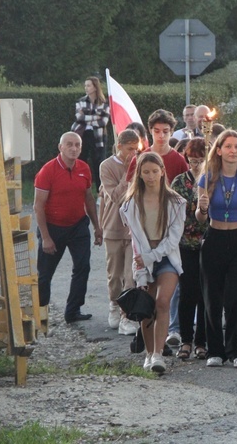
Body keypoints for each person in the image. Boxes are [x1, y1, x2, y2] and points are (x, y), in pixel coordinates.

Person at [195, 130, 237, 368]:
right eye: (229, 146)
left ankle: (236, 348)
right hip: (214, 238)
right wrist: (202, 208)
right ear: (220, 149)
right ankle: (215, 349)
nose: (233, 150)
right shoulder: (208, 177)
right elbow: (200, 219)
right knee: (212, 297)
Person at [127, 109, 189, 349]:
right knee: (146, 300)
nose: (161, 135)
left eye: (165, 131)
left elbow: (185, 189)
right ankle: (147, 345)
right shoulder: (140, 159)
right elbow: (130, 195)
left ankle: (167, 337)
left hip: (169, 235)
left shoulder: (177, 160)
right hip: (143, 239)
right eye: (156, 131)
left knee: (166, 297)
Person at [119, 153, 186, 373]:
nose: (150, 176)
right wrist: (143, 262)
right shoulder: (130, 204)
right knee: (145, 306)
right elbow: (135, 238)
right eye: (146, 172)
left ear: (162, 172)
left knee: (163, 302)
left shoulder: (176, 202)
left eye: (154, 171)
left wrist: (152, 256)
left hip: (166, 257)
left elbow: (174, 239)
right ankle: (149, 354)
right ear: (139, 174)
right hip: (143, 259)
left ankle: (158, 353)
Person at [35, 132, 103, 323]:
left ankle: (72, 311)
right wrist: (46, 237)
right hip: (53, 227)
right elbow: (38, 205)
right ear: (61, 147)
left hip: (78, 226)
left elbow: (88, 198)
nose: (74, 149)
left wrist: (97, 226)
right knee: (45, 275)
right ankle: (41, 314)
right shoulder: (48, 170)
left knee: (83, 267)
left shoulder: (84, 168)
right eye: (69, 145)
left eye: (77, 145)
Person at [170, 138, 209, 360]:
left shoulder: (213, 180)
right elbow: (175, 213)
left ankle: (202, 342)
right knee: (188, 292)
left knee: (206, 294)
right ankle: (185, 339)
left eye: (200, 161)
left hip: (209, 242)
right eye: (192, 161)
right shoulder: (179, 182)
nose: (196, 165)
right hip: (185, 243)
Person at [99, 129, 140, 335]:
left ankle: (127, 315)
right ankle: (114, 304)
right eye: (129, 149)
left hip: (133, 229)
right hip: (113, 227)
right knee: (114, 275)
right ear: (119, 147)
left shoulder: (142, 163)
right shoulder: (106, 166)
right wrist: (128, 173)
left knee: (130, 274)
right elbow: (115, 196)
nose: (133, 153)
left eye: (136, 149)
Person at [71, 76, 109, 190]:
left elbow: (104, 121)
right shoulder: (81, 101)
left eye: (88, 85)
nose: (86, 88)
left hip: (99, 137)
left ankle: (100, 191)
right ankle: (80, 188)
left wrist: (86, 116)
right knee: (80, 161)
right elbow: (79, 118)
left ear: (95, 87)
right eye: (85, 85)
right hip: (83, 135)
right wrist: (95, 116)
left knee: (99, 163)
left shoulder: (104, 103)